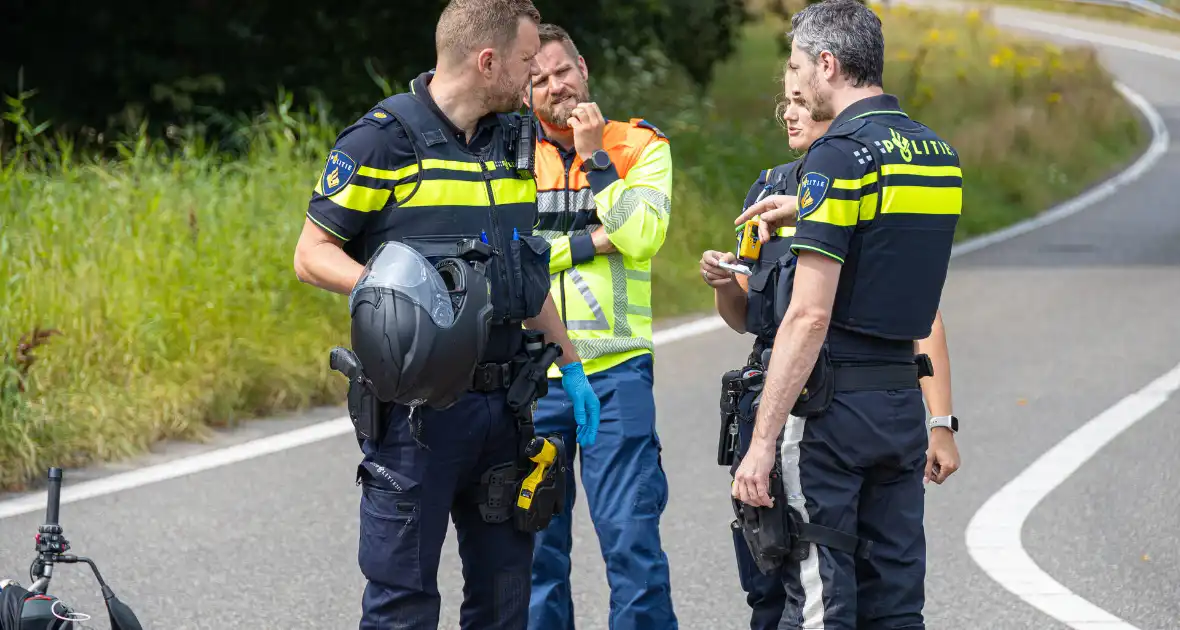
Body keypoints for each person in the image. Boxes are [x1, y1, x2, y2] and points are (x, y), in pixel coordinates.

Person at [291, 2, 602, 628]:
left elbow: (526, 271)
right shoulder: (382, 140)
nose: (533, 76)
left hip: (505, 412)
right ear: (486, 62)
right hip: (415, 417)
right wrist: (406, 296)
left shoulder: (513, 143)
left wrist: (572, 370)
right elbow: (312, 255)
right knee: (403, 604)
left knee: (506, 602)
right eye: (524, 63)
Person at [729, 1, 963, 629]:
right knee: (895, 605)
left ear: (827, 64)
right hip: (898, 407)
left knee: (820, 603)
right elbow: (886, 252)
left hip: (832, 413)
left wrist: (761, 443)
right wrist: (804, 213)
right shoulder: (937, 153)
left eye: (800, 70)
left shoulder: (839, 155)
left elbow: (808, 316)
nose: (796, 86)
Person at [522, 23, 677, 630]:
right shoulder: (505, 150)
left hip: (616, 374)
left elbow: (641, 236)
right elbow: (509, 251)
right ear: (523, 91)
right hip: (533, 378)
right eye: (538, 80)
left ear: (583, 68)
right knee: (534, 551)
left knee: (631, 544)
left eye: (562, 71)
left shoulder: (640, 145)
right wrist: (593, 241)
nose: (555, 86)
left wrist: (594, 159)